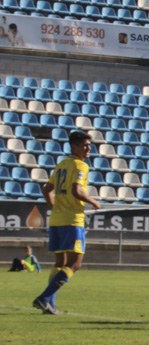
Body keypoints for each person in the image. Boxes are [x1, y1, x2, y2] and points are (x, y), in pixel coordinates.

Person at [33, 130, 101, 314]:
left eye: (89, 145)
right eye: (85, 145)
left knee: (60, 263)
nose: (88, 149)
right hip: (72, 220)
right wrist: (94, 202)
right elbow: (76, 191)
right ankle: (44, 298)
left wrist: (55, 207)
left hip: (57, 220)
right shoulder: (81, 166)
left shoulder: (62, 164)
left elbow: (46, 190)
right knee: (74, 264)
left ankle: (49, 304)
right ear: (74, 146)